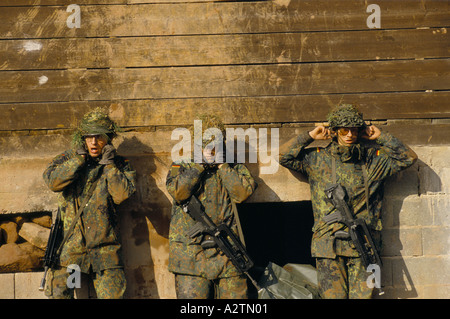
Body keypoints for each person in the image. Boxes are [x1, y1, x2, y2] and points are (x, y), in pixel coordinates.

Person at [279, 104, 417, 298]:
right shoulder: (317, 159)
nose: (350, 134)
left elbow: (408, 158)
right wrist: (310, 136)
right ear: (335, 131)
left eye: (355, 130)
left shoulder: (374, 160)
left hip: (364, 246)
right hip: (328, 245)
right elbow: (284, 156)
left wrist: (381, 136)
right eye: (344, 130)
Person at [43, 108, 136, 299]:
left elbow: (122, 195)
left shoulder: (119, 164)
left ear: (108, 138)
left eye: (99, 137)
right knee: (61, 294)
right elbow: (53, 182)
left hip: (105, 253)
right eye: (89, 137)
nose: (94, 142)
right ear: (82, 138)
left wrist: (109, 166)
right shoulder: (69, 158)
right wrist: (78, 160)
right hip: (72, 254)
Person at [166, 115, 257, 299]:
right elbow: (177, 192)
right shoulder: (180, 165)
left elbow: (242, 194)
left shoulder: (233, 167)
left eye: (214, 145)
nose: (210, 150)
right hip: (190, 257)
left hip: (228, 255)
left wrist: (222, 165)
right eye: (204, 145)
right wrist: (199, 167)